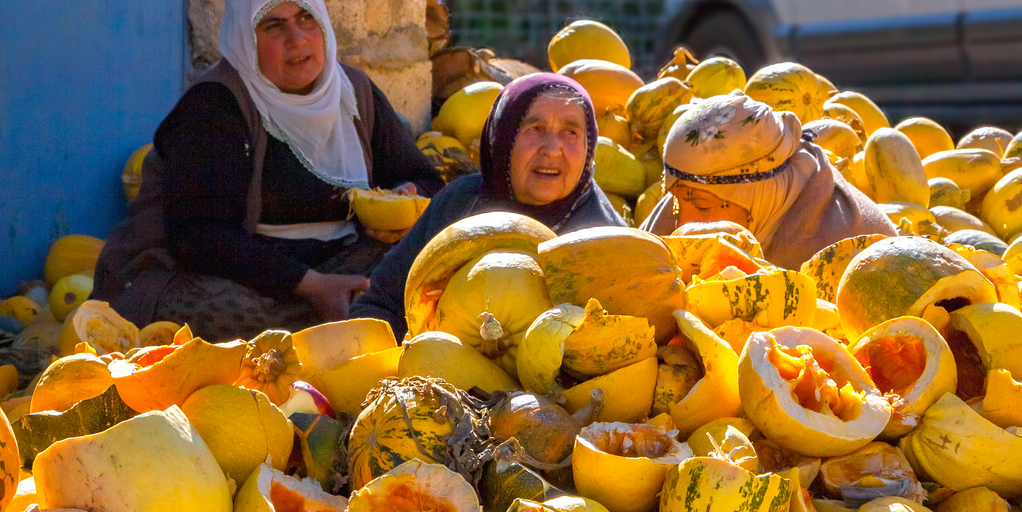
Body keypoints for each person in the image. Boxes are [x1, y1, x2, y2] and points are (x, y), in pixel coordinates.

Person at [92, 0, 444, 339]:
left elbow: (426, 181)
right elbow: (199, 238)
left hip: (338, 265)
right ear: (245, 39)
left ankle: (343, 321)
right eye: (273, 26)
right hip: (233, 278)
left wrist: (407, 200)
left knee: (422, 266)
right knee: (232, 322)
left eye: (306, 18)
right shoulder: (214, 107)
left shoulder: (354, 95)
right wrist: (310, 286)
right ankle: (339, 326)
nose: (297, 39)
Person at [350, 72, 625, 339]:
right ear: (502, 138)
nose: (552, 149)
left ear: (589, 147)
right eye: (535, 128)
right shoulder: (459, 203)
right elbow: (380, 304)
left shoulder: (608, 237)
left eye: (570, 132)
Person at [642, 92, 897, 269]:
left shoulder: (848, 246)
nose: (681, 224)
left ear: (758, 194)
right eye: (676, 202)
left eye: (702, 206)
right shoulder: (693, 187)